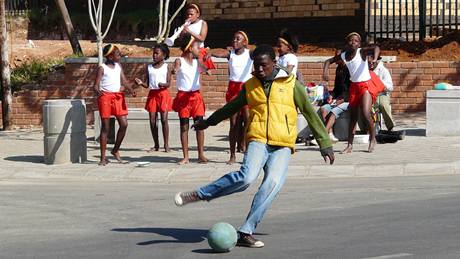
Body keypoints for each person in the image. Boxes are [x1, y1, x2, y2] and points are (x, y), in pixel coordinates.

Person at [174, 45, 334, 248]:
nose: (259, 70)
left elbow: (310, 113)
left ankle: (246, 231)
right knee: (246, 177)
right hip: (258, 138)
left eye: (263, 66)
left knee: (272, 185)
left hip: (283, 143)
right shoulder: (250, 85)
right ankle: (200, 194)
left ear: (274, 64)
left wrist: (324, 143)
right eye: (256, 66)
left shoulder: (292, 84)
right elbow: (232, 106)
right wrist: (209, 121)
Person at [323, 32, 384, 153]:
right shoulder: (344, 55)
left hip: (365, 86)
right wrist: (325, 72)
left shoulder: (361, 52)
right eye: (351, 41)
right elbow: (328, 61)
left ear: (359, 44)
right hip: (354, 88)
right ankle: (349, 145)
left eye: (356, 41)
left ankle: (373, 139)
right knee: (353, 117)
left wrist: (375, 58)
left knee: (366, 113)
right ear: (347, 43)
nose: (353, 43)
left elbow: (376, 47)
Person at [209, 30, 253, 164]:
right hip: (233, 89)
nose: (235, 41)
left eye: (238, 39)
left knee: (248, 122)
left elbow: (259, 51)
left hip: (246, 87)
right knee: (233, 124)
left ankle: (247, 152)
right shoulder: (231, 54)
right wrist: (209, 52)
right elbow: (220, 52)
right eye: (234, 39)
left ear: (245, 42)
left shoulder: (249, 53)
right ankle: (232, 155)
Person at [93, 44, 136, 166]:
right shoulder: (102, 68)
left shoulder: (118, 66)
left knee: (124, 124)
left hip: (118, 97)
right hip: (106, 97)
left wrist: (130, 89)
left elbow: (124, 80)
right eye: (117, 54)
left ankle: (115, 150)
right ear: (110, 56)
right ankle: (102, 158)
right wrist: (98, 91)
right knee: (105, 128)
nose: (120, 55)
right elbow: (96, 85)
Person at [172, 34, 208, 165]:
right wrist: (175, 71)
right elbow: (175, 69)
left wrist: (205, 65)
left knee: (200, 126)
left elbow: (204, 69)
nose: (198, 49)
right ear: (189, 48)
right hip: (184, 97)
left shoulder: (197, 62)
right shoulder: (179, 60)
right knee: (184, 127)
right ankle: (186, 156)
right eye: (196, 47)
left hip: (196, 97)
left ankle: (201, 155)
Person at [135, 43, 172, 153]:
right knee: (152, 121)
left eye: (157, 53)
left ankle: (166, 145)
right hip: (153, 95)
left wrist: (163, 84)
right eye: (153, 53)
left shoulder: (167, 67)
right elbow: (147, 84)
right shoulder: (149, 67)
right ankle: (156, 145)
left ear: (164, 55)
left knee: (164, 119)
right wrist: (141, 83)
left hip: (163, 94)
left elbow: (169, 83)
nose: (154, 55)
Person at [319, 49, 351, 144]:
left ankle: (323, 136)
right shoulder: (338, 69)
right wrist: (331, 96)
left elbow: (351, 90)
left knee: (333, 111)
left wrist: (342, 100)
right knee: (323, 109)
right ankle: (330, 134)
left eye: (338, 56)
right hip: (337, 99)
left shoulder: (349, 69)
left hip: (347, 100)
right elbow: (337, 88)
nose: (336, 59)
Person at [182, 3, 216, 72]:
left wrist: (189, 31)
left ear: (197, 14)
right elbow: (181, 40)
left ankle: (205, 68)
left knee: (198, 76)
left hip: (199, 51)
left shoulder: (202, 23)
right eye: (188, 14)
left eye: (191, 14)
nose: (189, 16)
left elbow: (202, 38)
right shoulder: (187, 25)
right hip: (187, 52)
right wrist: (182, 33)